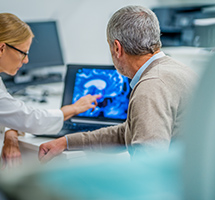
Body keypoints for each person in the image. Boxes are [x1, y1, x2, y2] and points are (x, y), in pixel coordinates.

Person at [38, 5, 197, 163]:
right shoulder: (178, 70)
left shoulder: (150, 87)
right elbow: (129, 131)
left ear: (117, 48)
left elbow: (148, 167)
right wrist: (66, 142)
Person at [0, 13, 100, 200]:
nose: (26, 60)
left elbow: (7, 112)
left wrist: (10, 137)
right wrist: (74, 108)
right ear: (1, 48)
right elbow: (27, 118)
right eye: (23, 53)